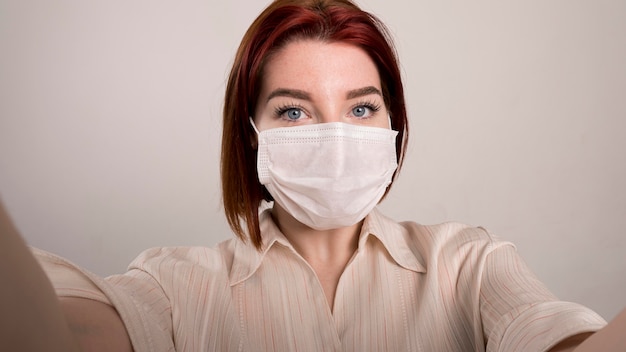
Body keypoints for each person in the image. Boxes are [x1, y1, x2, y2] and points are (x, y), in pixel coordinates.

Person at [1, 0, 625, 351]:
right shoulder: (173, 288)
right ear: (250, 136)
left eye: (360, 108)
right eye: (294, 111)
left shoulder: (470, 266)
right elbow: (51, 336)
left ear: (392, 125)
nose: (335, 138)